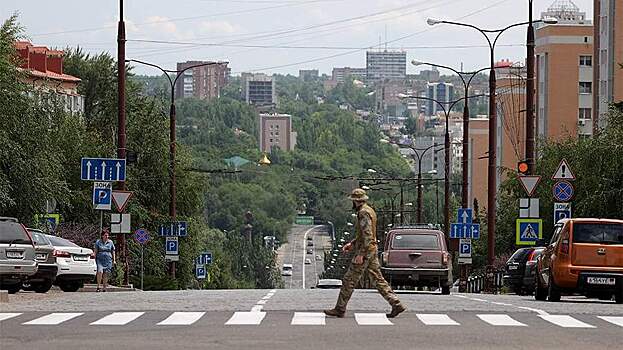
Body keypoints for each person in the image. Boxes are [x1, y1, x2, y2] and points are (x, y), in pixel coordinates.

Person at [324, 188, 406, 318]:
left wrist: (361, 254)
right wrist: (352, 244)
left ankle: (340, 309)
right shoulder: (370, 210)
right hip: (371, 250)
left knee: (348, 280)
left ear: (356, 201)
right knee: (378, 279)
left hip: (366, 251)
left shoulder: (363, 213)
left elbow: (367, 235)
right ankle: (396, 303)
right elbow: (365, 235)